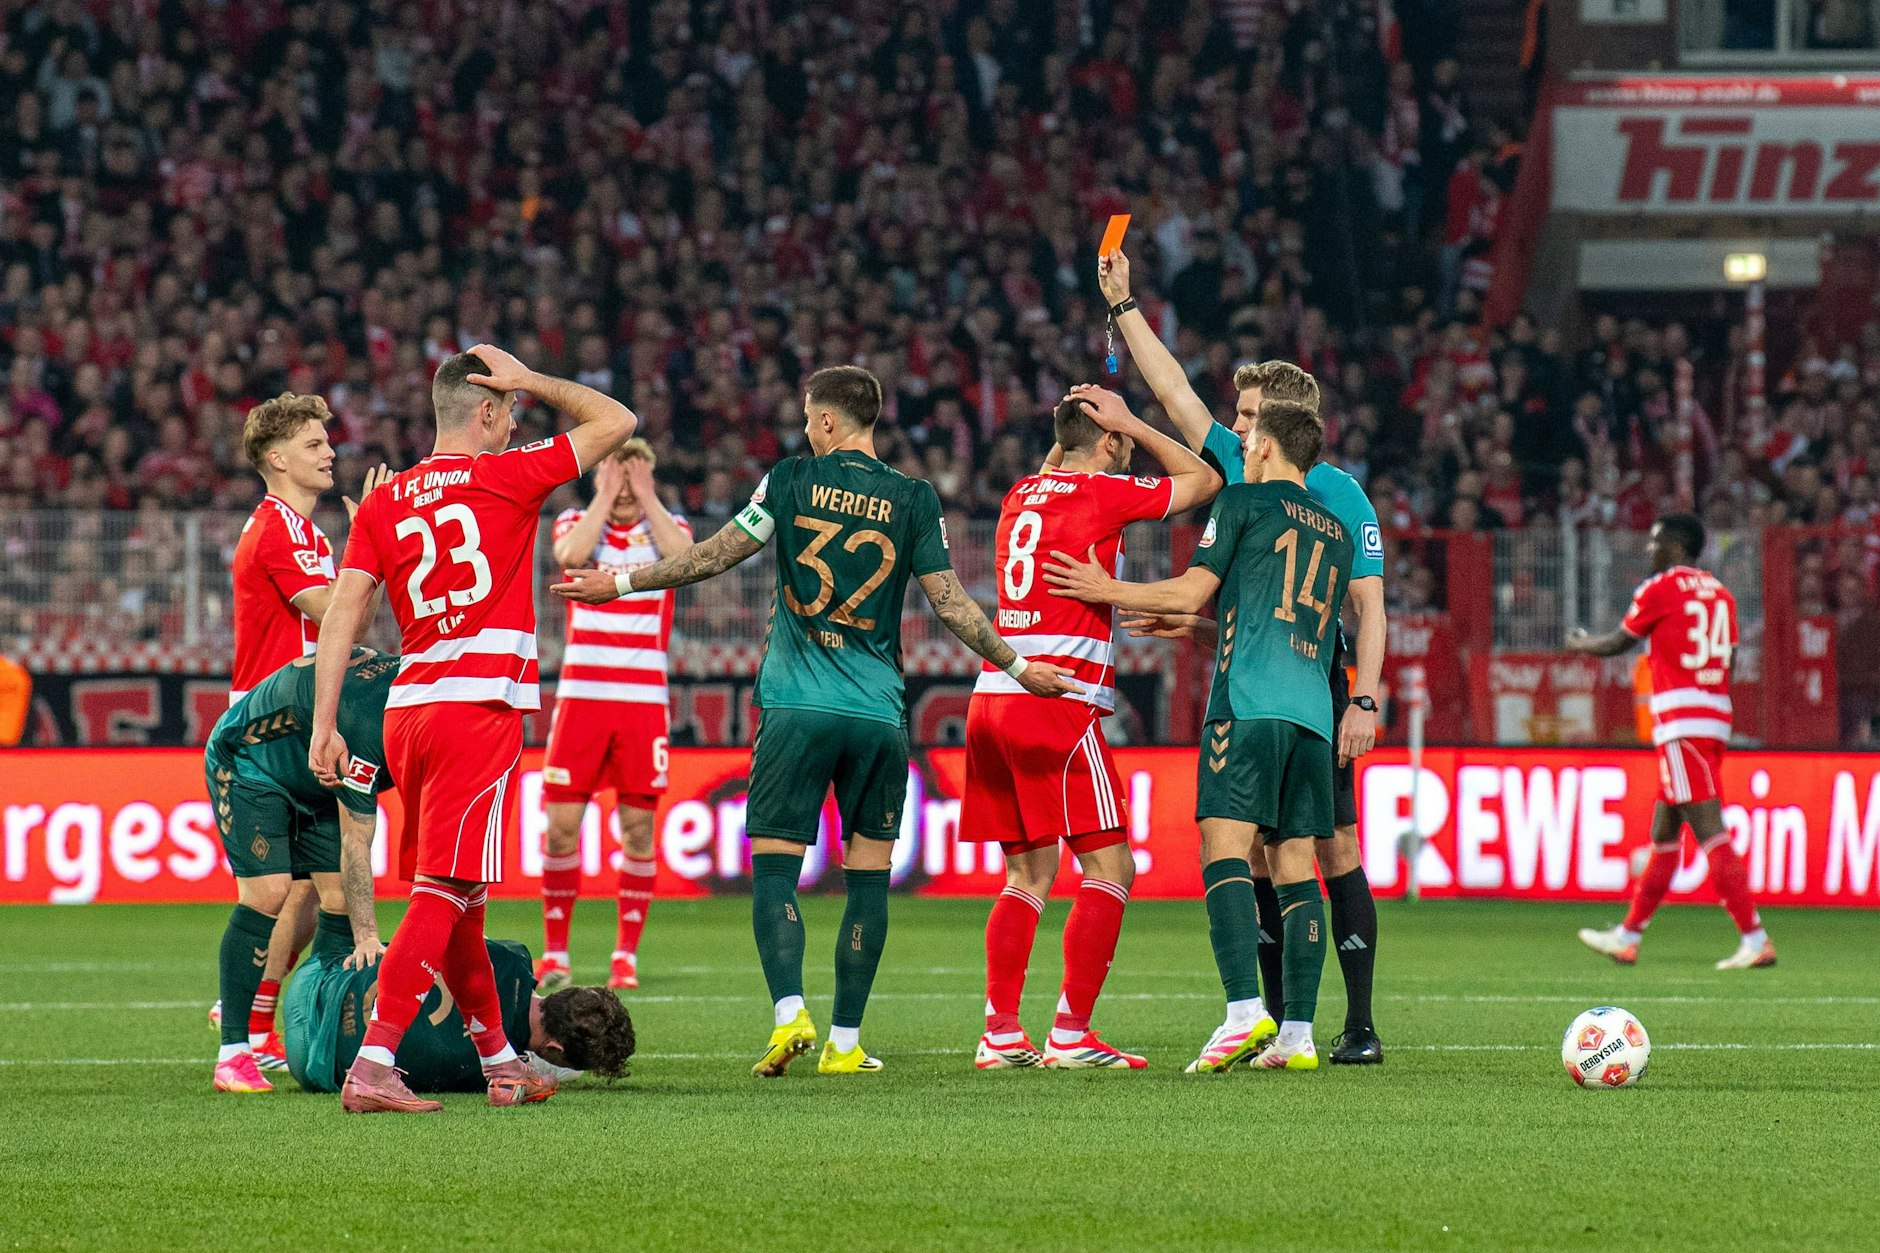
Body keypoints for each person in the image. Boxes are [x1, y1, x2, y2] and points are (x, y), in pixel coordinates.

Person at [553, 366, 1077, 1077]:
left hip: (796, 706)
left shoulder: (791, 479)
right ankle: (846, 1041)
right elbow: (951, 603)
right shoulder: (914, 497)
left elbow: (715, 554)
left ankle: (789, 1013)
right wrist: (1018, 666)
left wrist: (619, 582)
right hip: (877, 712)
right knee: (868, 877)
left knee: (775, 871)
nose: (804, 427)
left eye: (807, 417)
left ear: (828, 421)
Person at [309, 346, 635, 1114]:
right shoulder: (506, 474)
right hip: (477, 708)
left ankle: (500, 1062)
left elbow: (344, 611)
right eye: (510, 409)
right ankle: (375, 1062)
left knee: (464, 899)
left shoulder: (386, 500)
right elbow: (617, 421)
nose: (515, 420)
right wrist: (531, 378)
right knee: (444, 890)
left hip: (407, 712)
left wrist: (326, 721)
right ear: (486, 410)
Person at [1093, 249, 1388, 1065]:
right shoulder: (1263, 474)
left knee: (1326, 848)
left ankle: (1351, 1021)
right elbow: (1175, 392)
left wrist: (1364, 698)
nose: (1235, 426)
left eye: (1250, 414)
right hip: (1283, 675)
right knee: (1274, 853)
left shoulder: (1334, 492)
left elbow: (1369, 607)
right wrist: (1124, 308)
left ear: (1284, 422)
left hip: (1308, 683)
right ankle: (1287, 1023)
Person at [1045, 399, 1353, 1072]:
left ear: (1268, 446)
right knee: (1296, 864)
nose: (1240, 444)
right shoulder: (1335, 530)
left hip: (1247, 704)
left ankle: (1243, 1012)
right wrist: (1199, 629)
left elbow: (1189, 590)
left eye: (1248, 436)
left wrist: (1106, 586)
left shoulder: (1242, 501)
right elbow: (1290, 623)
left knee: (1224, 847)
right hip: (1313, 714)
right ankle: (1297, 1035)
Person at [967, 385, 1220, 1071]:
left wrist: (1078, 424)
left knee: (1028, 872)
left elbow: (1062, 458)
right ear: (1107, 440)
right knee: (1113, 866)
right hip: (1058, 699)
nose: (1128, 448)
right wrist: (1131, 420)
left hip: (995, 695)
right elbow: (1204, 479)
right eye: (1122, 441)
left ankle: (1000, 1033)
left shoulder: (1022, 492)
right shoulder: (1102, 494)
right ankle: (1072, 1033)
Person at [223, 394, 389, 1070]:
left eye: (327, 441)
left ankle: (264, 1019)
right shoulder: (281, 530)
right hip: (272, 728)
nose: (330, 452)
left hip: (305, 718)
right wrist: (374, 543)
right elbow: (333, 610)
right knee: (288, 891)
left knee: (320, 891)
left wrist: (369, 550)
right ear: (277, 457)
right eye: (314, 444)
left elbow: (352, 622)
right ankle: (249, 1025)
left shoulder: (307, 534)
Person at [1568, 514, 1774, 970]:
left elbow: (1620, 642)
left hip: (1681, 722)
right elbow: (1730, 659)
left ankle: (1755, 937)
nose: (1650, 550)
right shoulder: (1721, 594)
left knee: (1709, 829)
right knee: (1664, 833)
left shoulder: (1660, 588)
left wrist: (1581, 644)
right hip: (1713, 717)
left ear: (1678, 547)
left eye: (1656, 542)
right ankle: (1627, 937)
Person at [536, 437, 693, 993]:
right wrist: (604, 492)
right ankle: (556, 953)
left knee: (638, 830)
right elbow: (570, 556)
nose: (624, 485)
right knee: (560, 829)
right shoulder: (577, 521)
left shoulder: (670, 527)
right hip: (581, 698)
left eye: (634, 474)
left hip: (642, 704)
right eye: (614, 473)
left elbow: (684, 561)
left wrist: (647, 495)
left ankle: (625, 955)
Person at [206, 648, 398, 1093]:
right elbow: (356, 842)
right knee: (269, 892)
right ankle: (233, 1053)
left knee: (338, 897)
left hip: (316, 780)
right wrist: (367, 936)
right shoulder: (370, 723)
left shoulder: (408, 709)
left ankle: (316, 1035)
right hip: (248, 764)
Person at [284, 910, 635, 1094]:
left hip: (315, 978)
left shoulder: (514, 957)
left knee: (335, 889)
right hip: (313, 1064)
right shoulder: (494, 1070)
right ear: (554, 1048)